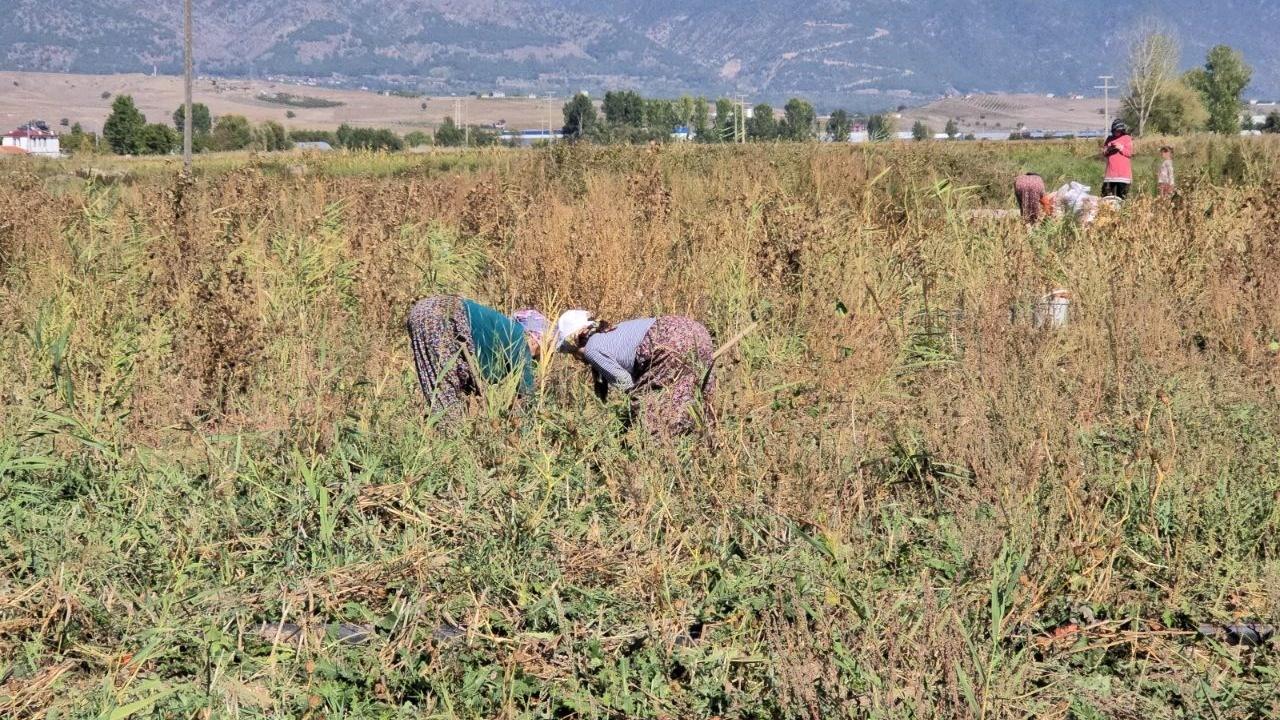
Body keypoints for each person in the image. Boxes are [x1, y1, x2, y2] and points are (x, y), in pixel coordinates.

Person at [545, 309, 715, 437]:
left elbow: (626, 384)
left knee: (652, 416)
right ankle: (707, 443)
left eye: (572, 352)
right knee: (696, 397)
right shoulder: (612, 331)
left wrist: (627, 424)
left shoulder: (592, 348)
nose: (576, 358)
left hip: (669, 342)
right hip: (696, 332)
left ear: (577, 339)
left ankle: (660, 460)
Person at [406, 296, 544, 419]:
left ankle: (440, 435)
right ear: (534, 338)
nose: (536, 359)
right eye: (540, 351)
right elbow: (527, 393)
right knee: (444, 400)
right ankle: (449, 437)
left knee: (439, 388)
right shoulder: (519, 337)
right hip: (443, 314)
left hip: (424, 311)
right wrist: (528, 423)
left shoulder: (502, 329)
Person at [1101, 119, 1133, 200]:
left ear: (1122, 130)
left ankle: (1121, 212)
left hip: (1123, 175)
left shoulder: (1127, 138)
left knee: (1121, 198)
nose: (1117, 132)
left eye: (1119, 131)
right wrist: (1109, 149)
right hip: (1110, 174)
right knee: (1105, 196)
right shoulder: (1109, 138)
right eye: (1115, 131)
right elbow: (1104, 153)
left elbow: (1129, 153)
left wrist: (1120, 147)